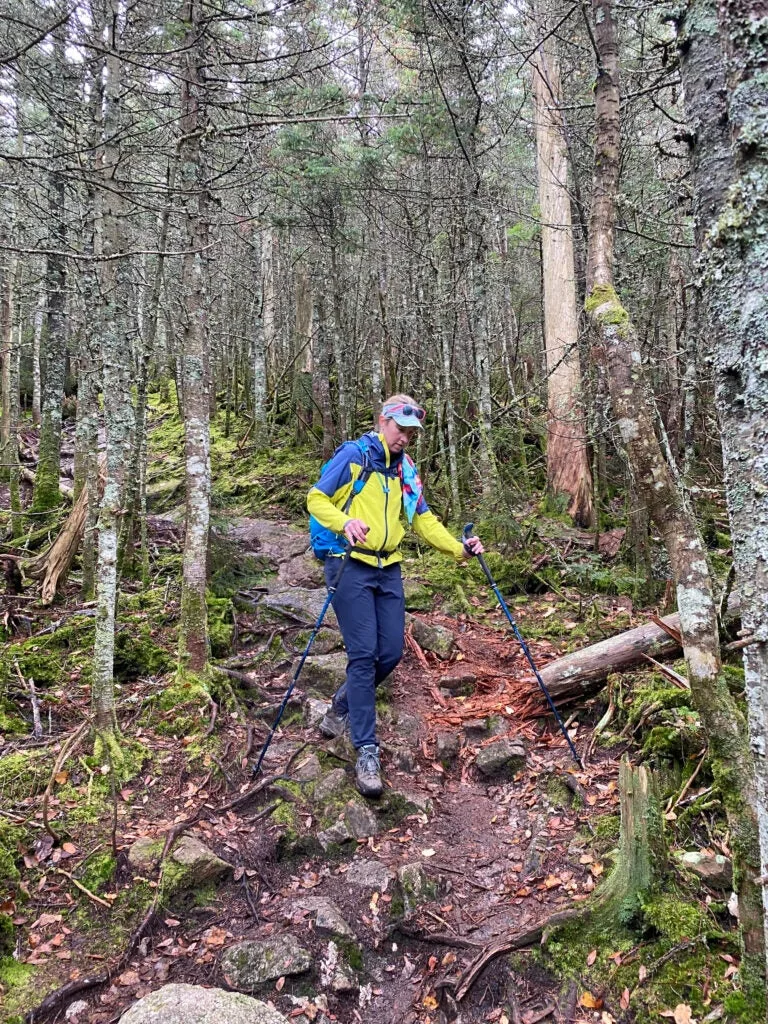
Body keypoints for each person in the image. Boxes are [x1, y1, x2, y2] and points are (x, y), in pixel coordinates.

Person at [306, 394, 484, 798]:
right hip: (348, 562)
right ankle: (366, 749)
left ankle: (342, 703)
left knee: (390, 653)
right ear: (383, 422)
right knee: (364, 654)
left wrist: (460, 548)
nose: (405, 437)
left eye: (411, 432)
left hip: (388, 567)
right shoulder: (355, 456)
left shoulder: (406, 471)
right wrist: (345, 520)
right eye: (400, 429)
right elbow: (316, 498)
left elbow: (423, 519)